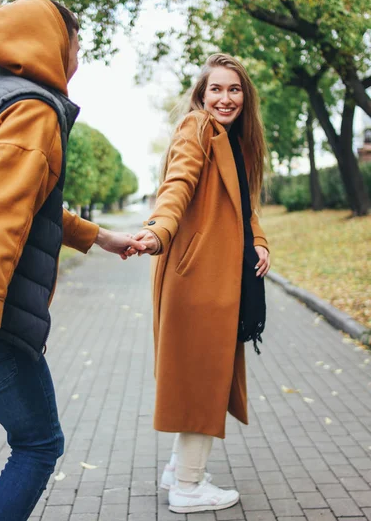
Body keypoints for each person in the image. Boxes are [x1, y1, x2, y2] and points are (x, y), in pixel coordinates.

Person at [0, 0, 145, 520]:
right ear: (52, 41)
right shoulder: (32, 109)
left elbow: (27, 199)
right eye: (76, 44)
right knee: (38, 444)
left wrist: (100, 237)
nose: (78, 57)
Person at [132, 53, 271, 514]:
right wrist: (157, 230)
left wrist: (262, 242)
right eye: (216, 89)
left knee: (203, 376)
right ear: (201, 94)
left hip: (220, 280)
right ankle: (188, 488)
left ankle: (179, 470)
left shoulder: (232, 141)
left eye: (234, 89)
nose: (225, 98)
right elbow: (177, 186)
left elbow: (245, 207)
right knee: (204, 379)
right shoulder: (196, 129)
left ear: (244, 97)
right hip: (198, 280)